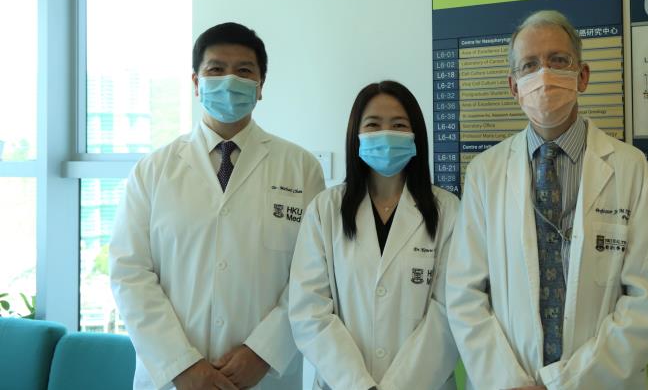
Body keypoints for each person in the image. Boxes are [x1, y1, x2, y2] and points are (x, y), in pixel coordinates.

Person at [446, 10, 648, 390]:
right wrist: (508, 380)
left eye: (558, 61)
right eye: (529, 66)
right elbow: (464, 294)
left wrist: (570, 381)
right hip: (507, 380)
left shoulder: (631, 169)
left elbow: (646, 301)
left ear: (582, 76)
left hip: (601, 381)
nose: (544, 76)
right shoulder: (485, 173)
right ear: (513, 86)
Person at [110, 22, 325, 390]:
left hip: (264, 377)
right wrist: (183, 365)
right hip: (171, 378)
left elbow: (313, 278)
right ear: (196, 83)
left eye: (244, 71)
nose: (229, 80)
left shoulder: (301, 168)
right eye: (216, 70)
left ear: (260, 87)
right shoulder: (153, 171)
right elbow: (130, 274)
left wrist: (262, 353)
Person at [288, 80, 460, 390]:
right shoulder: (325, 210)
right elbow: (309, 309)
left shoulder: (448, 211)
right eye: (373, 124)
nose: (386, 134)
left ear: (416, 135)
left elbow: (448, 312)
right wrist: (358, 385)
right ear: (356, 135)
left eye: (398, 124)